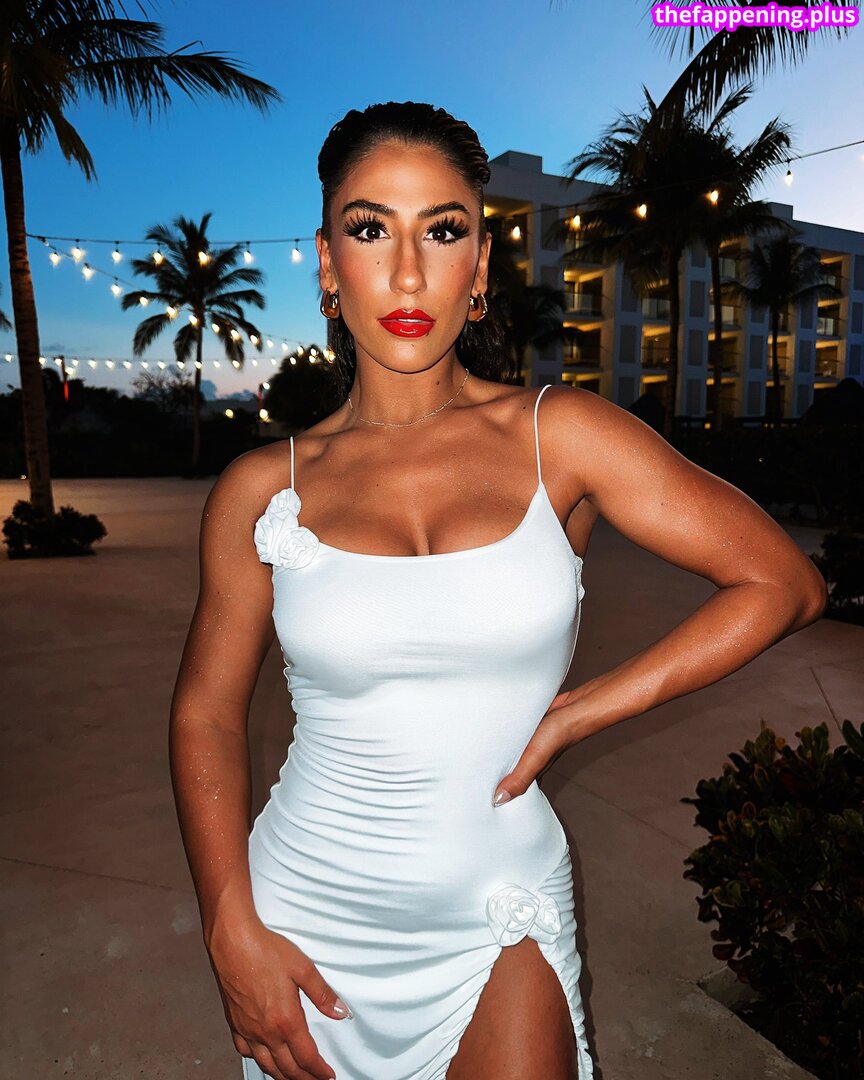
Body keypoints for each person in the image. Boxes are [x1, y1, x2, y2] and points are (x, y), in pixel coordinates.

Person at [168, 101, 827, 1080]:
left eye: (442, 232)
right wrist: (229, 922)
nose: (406, 273)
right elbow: (207, 714)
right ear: (326, 263)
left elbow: (782, 582)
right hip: (307, 912)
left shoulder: (560, 437)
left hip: (498, 906)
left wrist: (581, 712)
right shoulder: (264, 488)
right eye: (369, 230)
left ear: (479, 266)